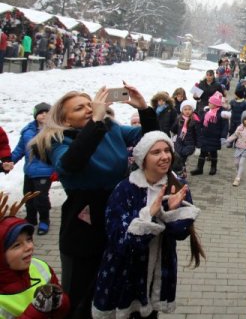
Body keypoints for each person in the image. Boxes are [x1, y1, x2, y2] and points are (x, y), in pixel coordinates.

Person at [29, 83, 158, 319]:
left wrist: (144, 109)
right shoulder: (59, 140)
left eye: (90, 105)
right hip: (83, 226)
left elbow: (149, 141)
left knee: (113, 293)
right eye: (80, 108)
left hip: (117, 219)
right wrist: (96, 122)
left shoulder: (110, 128)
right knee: (80, 297)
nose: (89, 109)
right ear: (65, 120)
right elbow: (71, 163)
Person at [92, 131, 203, 319]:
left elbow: (180, 233)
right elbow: (120, 238)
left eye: (167, 150)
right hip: (126, 270)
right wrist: (151, 214)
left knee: (151, 314)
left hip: (159, 269)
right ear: (143, 158)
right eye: (156, 152)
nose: (165, 156)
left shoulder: (177, 186)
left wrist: (169, 212)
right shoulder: (125, 189)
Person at [0, 192, 70, 319]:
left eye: (29, 239)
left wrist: (60, 302)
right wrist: (37, 311)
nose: (29, 247)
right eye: (17, 245)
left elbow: (62, 311)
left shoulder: (40, 266)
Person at [10, 103, 54, 235]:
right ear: (35, 115)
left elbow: (58, 153)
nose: (44, 115)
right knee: (28, 197)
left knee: (41, 198)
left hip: (44, 172)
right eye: (41, 113)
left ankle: (44, 220)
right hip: (29, 171)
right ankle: (31, 219)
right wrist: (9, 161)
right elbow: (19, 149)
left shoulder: (54, 131)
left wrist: (58, 170)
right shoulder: (27, 131)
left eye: (47, 112)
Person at [192, 91, 228, 176]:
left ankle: (213, 167)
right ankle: (199, 168)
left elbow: (225, 126)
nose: (209, 103)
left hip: (215, 136)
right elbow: (201, 121)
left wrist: (223, 137)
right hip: (205, 135)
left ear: (215, 104)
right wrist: (197, 125)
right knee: (203, 152)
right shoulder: (207, 111)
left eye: (210, 103)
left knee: (213, 152)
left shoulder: (221, 114)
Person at [226, 111, 246, 187]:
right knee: (236, 163)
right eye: (245, 119)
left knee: (241, 163)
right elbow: (235, 135)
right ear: (242, 120)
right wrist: (227, 140)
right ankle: (239, 173)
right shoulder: (240, 128)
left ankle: (238, 178)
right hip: (239, 147)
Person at [171, 100, 201, 178]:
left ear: (192, 110)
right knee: (177, 158)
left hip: (189, 144)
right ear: (182, 110)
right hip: (179, 142)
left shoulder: (195, 120)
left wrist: (198, 147)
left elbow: (198, 134)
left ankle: (181, 174)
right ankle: (181, 172)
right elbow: (174, 128)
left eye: (189, 109)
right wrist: (172, 133)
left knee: (182, 159)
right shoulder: (179, 118)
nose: (187, 111)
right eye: (185, 109)